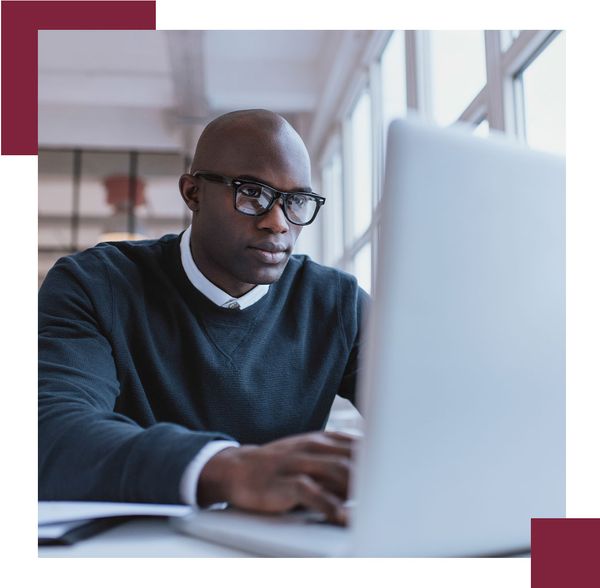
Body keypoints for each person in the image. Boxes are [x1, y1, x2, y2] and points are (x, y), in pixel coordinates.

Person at [38, 109, 368, 525]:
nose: (277, 223)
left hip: (281, 550)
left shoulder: (338, 304)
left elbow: (432, 421)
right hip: (134, 547)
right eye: (252, 194)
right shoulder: (95, 285)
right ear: (193, 193)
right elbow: (47, 433)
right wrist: (229, 469)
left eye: (296, 201)